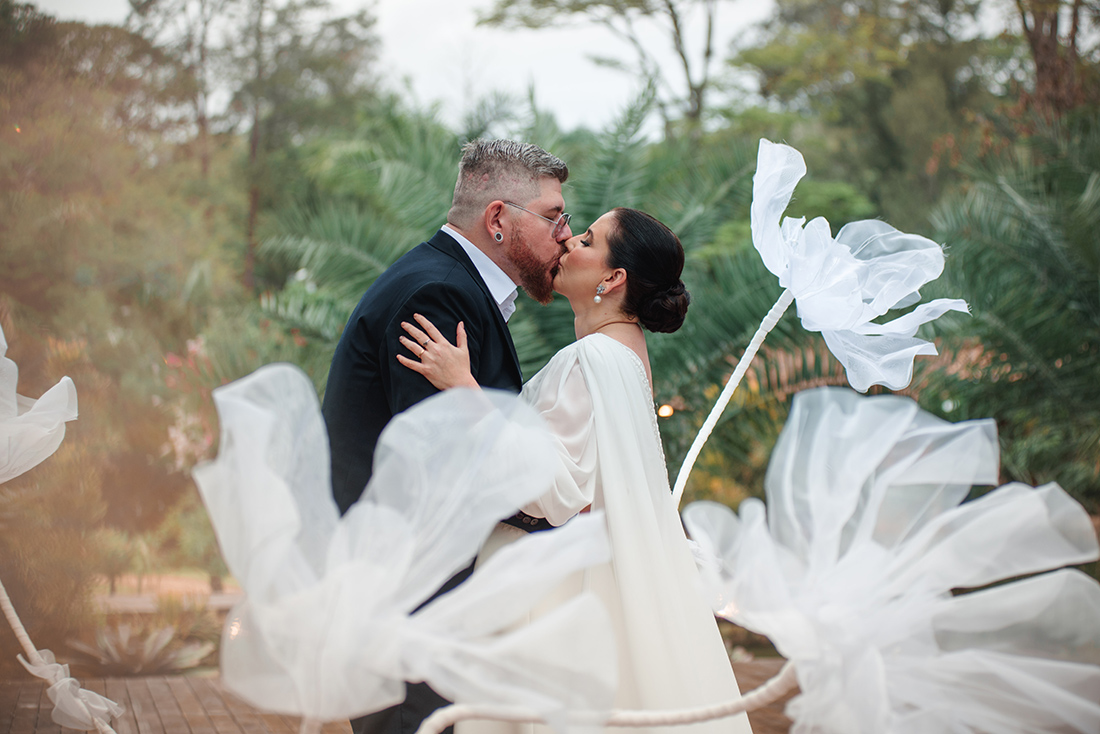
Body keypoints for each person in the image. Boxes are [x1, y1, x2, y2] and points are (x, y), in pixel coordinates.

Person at [398, 208, 754, 734]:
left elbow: (556, 490)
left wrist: (465, 390)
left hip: (545, 596)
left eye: (587, 240)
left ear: (613, 279)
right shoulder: (627, 355)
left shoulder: (589, 359)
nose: (567, 243)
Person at [322, 139, 573, 734]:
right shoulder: (440, 294)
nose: (567, 232)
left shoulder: (447, 281)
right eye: (554, 215)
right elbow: (439, 467)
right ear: (497, 222)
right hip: (410, 594)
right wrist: (549, 511)